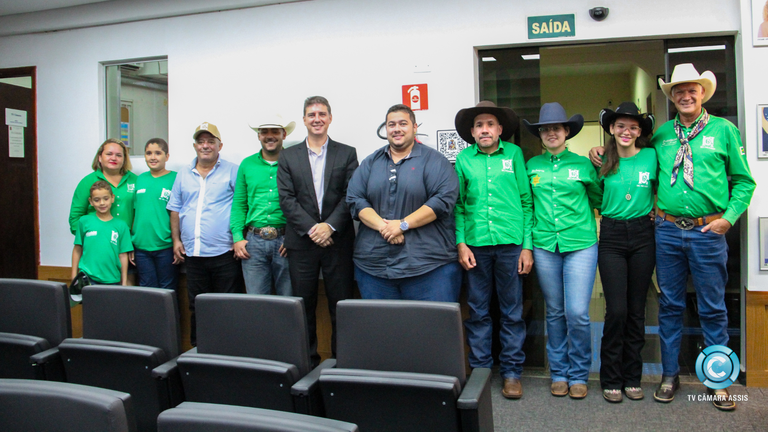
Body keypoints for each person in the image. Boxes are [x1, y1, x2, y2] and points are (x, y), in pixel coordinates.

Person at [589, 64, 755, 410]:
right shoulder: (662, 136)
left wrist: (728, 218)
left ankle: (718, 381)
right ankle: (669, 375)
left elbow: (744, 181)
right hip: (665, 231)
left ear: (702, 93)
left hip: (708, 231)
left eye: (691, 89)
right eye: (678, 91)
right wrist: (599, 153)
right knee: (669, 306)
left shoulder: (724, 131)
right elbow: (635, 169)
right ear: (672, 97)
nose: (685, 95)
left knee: (712, 308)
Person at [454, 101, 533, 399]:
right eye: (479, 125)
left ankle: (512, 373)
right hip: (475, 246)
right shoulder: (463, 159)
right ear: (472, 132)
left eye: (490, 124)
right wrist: (461, 244)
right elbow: (459, 207)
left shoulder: (514, 154)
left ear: (500, 130)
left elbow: (527, 203)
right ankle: (482, 372)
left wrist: (527, 247)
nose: (484, 129)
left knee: (512, 311)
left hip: (511, 245)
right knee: (478, 311)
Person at [524, 102, 602, 399]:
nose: (551, 133)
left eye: (556, 128)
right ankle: (559, 372)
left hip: (580, 244)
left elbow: (599, 199)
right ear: (540, 135)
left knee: (578, 312)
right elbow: (527, 208)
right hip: (544, 245)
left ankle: (579, 373)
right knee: (555, 312)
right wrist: (528, 247)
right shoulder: (532, 166)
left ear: (566, 131)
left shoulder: (583, 164)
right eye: (546, 129)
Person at [346, 104, 461, 301]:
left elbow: (443, 200)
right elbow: (355, 199)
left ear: (414, 127)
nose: (396, 129)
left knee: (431, 329)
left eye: (403, 123)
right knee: (383, 331)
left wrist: (403, 225)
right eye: (391, 124)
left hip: (428, 268)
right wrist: (386, 227)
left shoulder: (435, 161)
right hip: (375, 269)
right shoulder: (371, 162)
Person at [277, 97, 358, 367]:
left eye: (322, 114)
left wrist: (329, 226)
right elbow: (287, 199)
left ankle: (342, 362)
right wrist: (314, 229)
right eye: (311, 114)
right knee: (303, 308)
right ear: (304, 120)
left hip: (338, 241)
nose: (317, 119)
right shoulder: (288, 155)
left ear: (330, 118)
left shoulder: (347, 153)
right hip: (302, 243)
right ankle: (306, 363)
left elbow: (351, 195)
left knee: (341, 307)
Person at [595, 102, 657, 403]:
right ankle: (611, 377)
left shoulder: (651, 156)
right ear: (611, 129)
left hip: (644, 236)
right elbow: (593, 196)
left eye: (633, 127)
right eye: (621, 126)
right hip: (612, 236)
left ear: (640, 132)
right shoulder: (601, 160)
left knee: (636, 310)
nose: (627, 131)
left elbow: (664, 189)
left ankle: (633, 377)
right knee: (616, 310)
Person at [167, 122, 242, 346]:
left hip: (225, 253)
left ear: (220, 145)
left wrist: (239, 238)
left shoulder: (233, 170)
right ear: (195, 145)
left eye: (211, 141)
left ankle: (228, 351)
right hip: (193, 254)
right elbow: (175, 208)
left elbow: (242, 206)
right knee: (196, 306)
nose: (206, 146)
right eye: (201, 141)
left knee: (227, 306)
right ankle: (199, 352)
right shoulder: (183, 174)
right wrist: (176, 240)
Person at [231, 115, 294, 296]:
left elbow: (303, 203)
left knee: (288, 301)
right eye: (264, 132)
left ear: (284, 134)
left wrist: (293, 237)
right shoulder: (247, 164)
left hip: (285, 243)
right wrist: (237, 237)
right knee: (256, 302)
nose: (269, 136)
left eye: (275, 131)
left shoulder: (295, 162)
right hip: (253, 243)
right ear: (259, 136)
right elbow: (239, 204)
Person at [129, 138, 178, 291]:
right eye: (149, 153)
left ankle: (171, 317)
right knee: (147, 290)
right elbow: (134, 212)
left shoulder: (176, 178)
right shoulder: (139, 179)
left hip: (166, 246)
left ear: (167, 156)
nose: (153, 157)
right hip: (141, 248)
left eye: (158, 153)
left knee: (168, 289)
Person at [71, 180, 133, 286]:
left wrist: (124, 280)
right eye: (97, 200)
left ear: (112, 198)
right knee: (90, 303)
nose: (102, 203)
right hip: (88, 278)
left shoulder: (121, 226)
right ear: (90, 201)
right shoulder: (84, 221)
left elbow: (123, 255)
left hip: (112, 279)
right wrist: (73, 276)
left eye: (106, 198)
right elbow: (77, 250)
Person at [69, 139, 136, 234]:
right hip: (98, 242)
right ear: (100, 157)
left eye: (119, 155)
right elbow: (76, 216)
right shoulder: (87, 182)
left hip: (127, 242)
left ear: (124, 159)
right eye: (109, 154)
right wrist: (88, 239)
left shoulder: (135, 180)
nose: (114, 158)